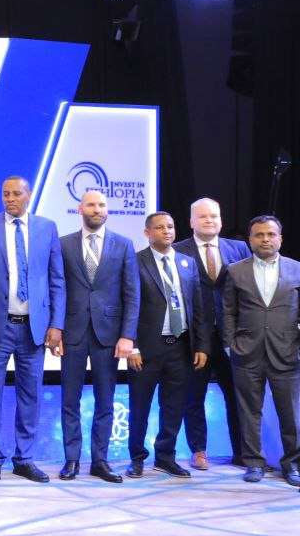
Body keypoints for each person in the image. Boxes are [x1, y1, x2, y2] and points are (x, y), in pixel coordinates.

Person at [0, 176, 65, 484]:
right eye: (5, 194)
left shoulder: (47, 228)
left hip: (34, 329)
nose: (9, 198)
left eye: (15, 194)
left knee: (31, 395)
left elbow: (56, 280)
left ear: (28, 195)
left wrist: (56, 324)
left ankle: (24, 458)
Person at [58, 190, 139, 483]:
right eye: (91, 204)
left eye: (102, 205)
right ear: (80, 209)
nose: (97, 209)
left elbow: (132, 294)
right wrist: (56, 329)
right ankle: (71, 459)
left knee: (105, 400)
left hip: (110, 335)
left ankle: (100, 461)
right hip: (73, 332)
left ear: (107, 210)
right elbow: (57, 289)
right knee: (70, 400)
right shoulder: (63, 244)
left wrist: (128, 335)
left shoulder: (124, 244)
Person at [126, 211, 210, 479]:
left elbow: (198, 307)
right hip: (146, 349)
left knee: (174, 406)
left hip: (181, 347)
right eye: (160, 227)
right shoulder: (135, 261)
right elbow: (128, 305)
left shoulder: (187, 262)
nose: (167, 231)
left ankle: (165, 457)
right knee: (140, 406)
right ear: (147, 233)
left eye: (170, 227)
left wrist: (201, 345)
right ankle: (137, 457)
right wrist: (132, 346)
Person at [222, 215, 300, 486]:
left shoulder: (297, 269)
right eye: (259, 235)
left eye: (271, 234)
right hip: (246, 352)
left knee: (291, 414)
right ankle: (254, 463)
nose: (265, 239)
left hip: (287, 353)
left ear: (280, 238)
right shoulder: (235, 271)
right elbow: (228, 311)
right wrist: (230, 345)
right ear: (250, 239)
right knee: (248, 411)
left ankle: (292, 464)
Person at [174, 198, 250, 469]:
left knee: (237, 397)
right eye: (203, 216)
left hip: (233, 337)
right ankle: (199, 451)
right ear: (191, 221)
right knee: (193, 397)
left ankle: (243, 452)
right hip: (194, 340)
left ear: (220, 220)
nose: (209, 220)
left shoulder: (239, 248)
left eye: (214, 216)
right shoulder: (177, 250)